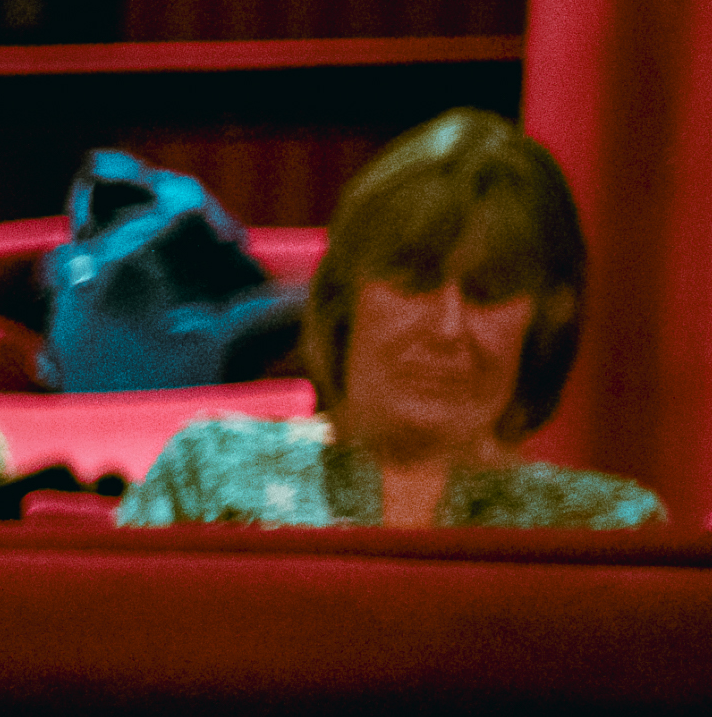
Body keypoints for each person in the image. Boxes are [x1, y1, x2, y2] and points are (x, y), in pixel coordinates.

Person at [116, 112, 665, 530]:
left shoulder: (607, 525)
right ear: (345, 300)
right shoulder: (209, 473)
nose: (449, 328)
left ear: (541, 327)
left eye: (487, 296)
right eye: (416, 284)